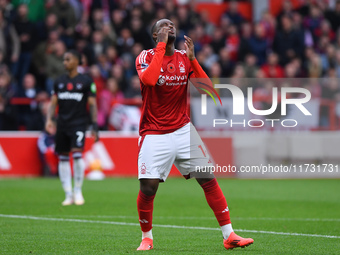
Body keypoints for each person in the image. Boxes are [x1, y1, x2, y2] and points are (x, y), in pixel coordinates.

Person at [135, 19, 254, 251]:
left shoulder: (183, 58)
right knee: (148, 188)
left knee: (208, 178)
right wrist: (161, 46)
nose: (170, 27)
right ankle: (146, 237)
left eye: (172, 25)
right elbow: (148, 79)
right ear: (154, 36)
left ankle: (229, 235)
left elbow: (208, 90)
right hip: (154, 132)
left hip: (182, 129)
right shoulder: (145, 56)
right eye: (163, 26)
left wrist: (193, 60)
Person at [45, 49, 99, 206]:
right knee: (62, 157)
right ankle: (68, 193)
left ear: (77, 61)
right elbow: (53, 102)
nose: (65, 62)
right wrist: (49, 119)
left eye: (68, 59)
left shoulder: (86, 81)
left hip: (78, 124)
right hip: (62, 124)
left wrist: (94, 125)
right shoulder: (59, 81)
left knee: (76, 155)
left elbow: (92, 104)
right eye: (64, 60)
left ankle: (78, 190)